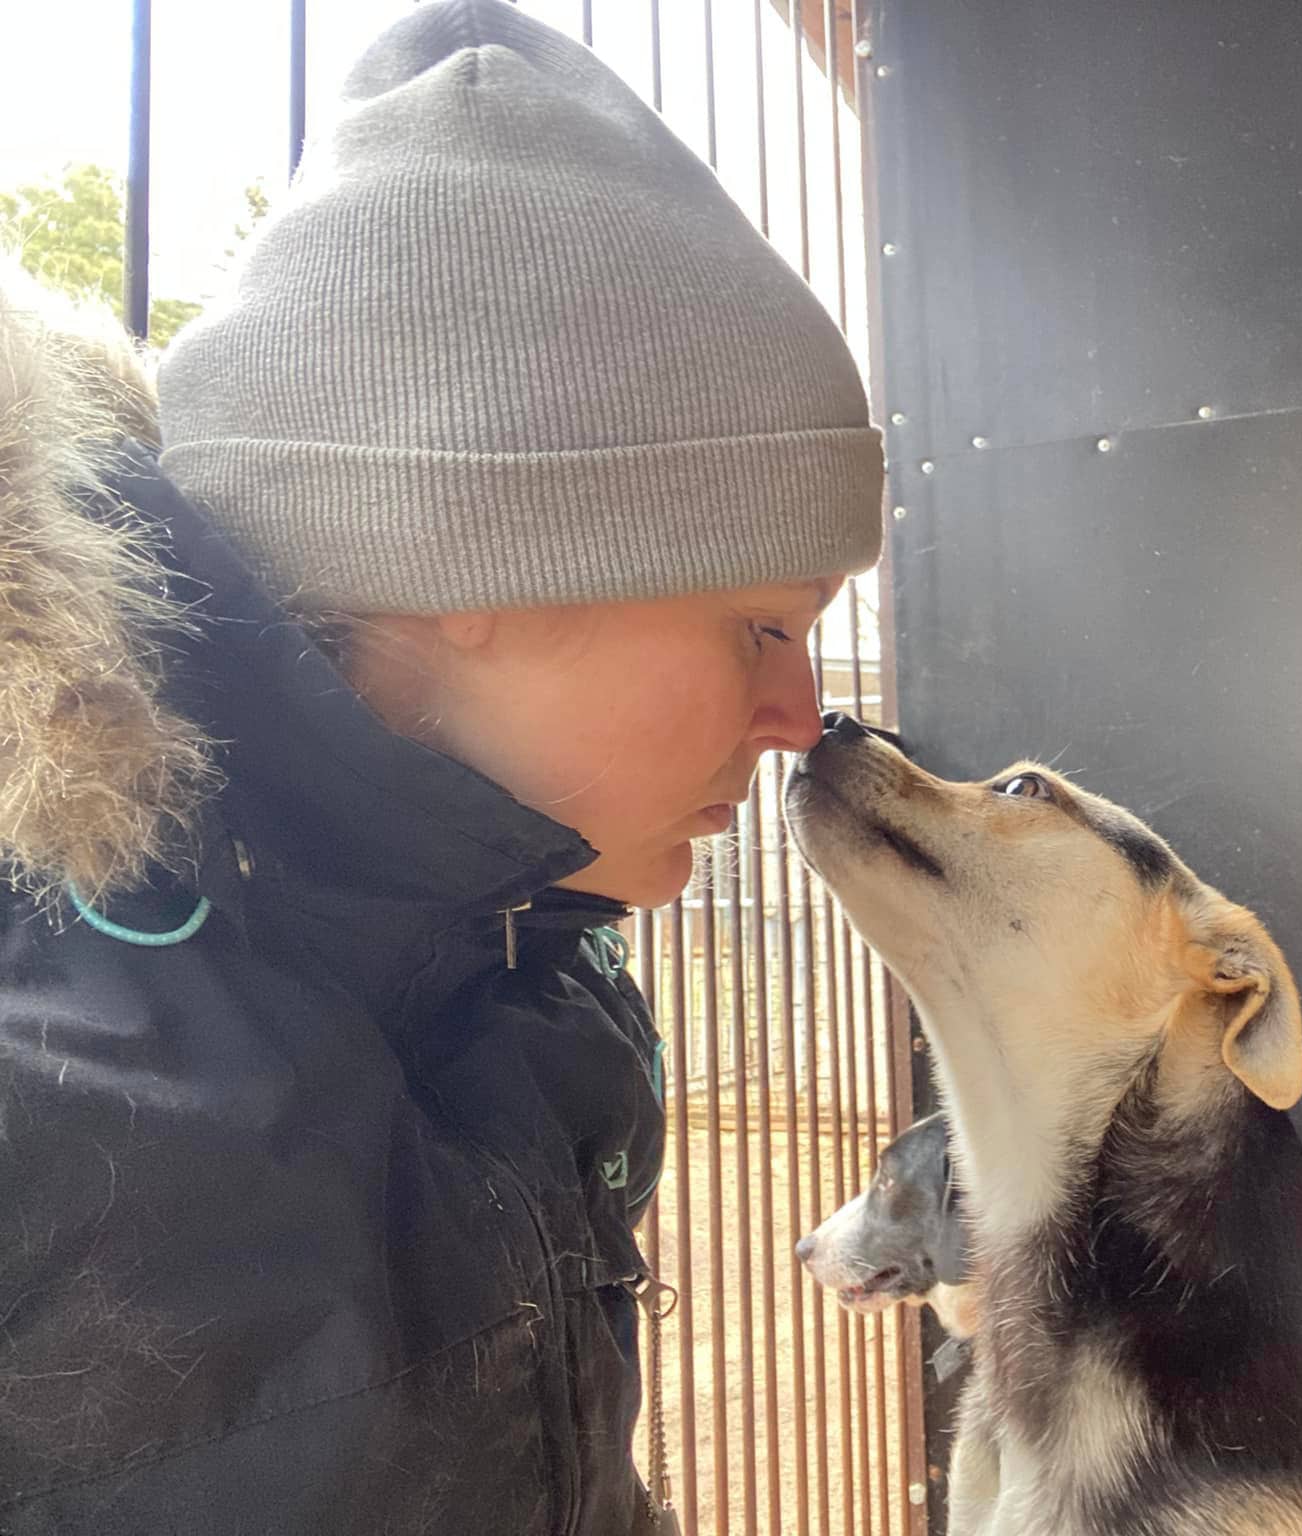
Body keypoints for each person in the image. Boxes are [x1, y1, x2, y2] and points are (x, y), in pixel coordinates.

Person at [0, 2, 881, 1530]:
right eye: (762, 627)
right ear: (471, 564)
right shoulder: (42, 1077)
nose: (803, 719)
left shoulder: (525, 974)